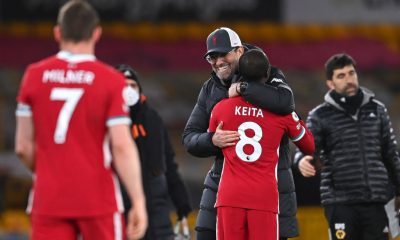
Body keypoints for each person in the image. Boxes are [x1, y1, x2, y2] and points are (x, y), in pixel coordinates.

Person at [14, 1, 147, 239]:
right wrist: (138, 200)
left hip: (49, 198)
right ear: (97, 33)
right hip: (98, 199)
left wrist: (49, 172)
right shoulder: (110, 81)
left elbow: (23, 147)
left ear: (58, 32)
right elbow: (121, 146)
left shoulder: (33, 75)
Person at [182, 27, 298, 240]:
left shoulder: (269, 75)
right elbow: (189, 138)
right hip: (223, 185)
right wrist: (211, 140)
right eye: (212, 57)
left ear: (240, 51)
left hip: (270, 188)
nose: (217, 62)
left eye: (223, 54)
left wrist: (243, 88)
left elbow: (285, 102)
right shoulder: (209, 87)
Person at [209, 49, 315, 240]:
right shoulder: (282, 113)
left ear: (240, 74)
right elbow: (309, 146)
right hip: (263, 198)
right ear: (267, 75)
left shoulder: (221, 108)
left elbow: (212, 140)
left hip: (229, 196)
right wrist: (292, 115)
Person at [294, 53, 400, 240]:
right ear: (330, 83)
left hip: (375, 200)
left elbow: (390, 153)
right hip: (340, 202)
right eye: (341, 76)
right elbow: (307, 147)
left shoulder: (377, 109)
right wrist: (302, 160)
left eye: (351, 73)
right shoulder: (320, 115)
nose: (349, 79)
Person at [114, 64, 192, 240]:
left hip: (156, 210)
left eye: (132, 86)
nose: (128, 91)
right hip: (119, 207)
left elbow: (168, 163)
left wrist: (181, 201)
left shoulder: (152, 119)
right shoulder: (106, 122)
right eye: (122, 85)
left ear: (139, 89)